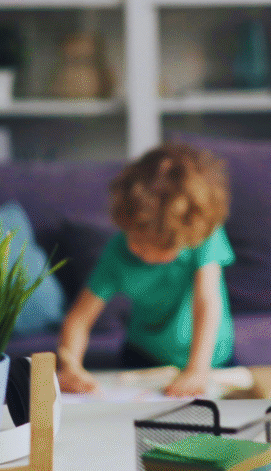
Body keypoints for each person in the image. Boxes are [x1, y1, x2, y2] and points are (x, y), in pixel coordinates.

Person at [57, 142, 235, 397]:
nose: (147, 254)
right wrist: (70, 365)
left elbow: (206, 301)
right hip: (144, 357)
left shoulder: (203, 235)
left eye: (162, 247)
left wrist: (197, 369)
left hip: (211, 359)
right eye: (138, 242)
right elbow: (78, 321)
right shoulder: (117, 252)